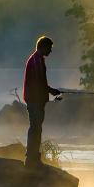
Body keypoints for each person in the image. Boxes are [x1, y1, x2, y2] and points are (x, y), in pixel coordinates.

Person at [22, 35, 62, 169]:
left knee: (36, 127)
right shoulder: (37, 60)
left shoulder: (36, 59)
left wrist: (50, 91)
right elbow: (40, 82)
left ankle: (33, 158)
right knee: (35, 128)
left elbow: (40, 82)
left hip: (35, 98)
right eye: (49, 48)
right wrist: (52, 91)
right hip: (35, 99)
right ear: (43, 47)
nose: (50, 51)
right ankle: (31, 159)